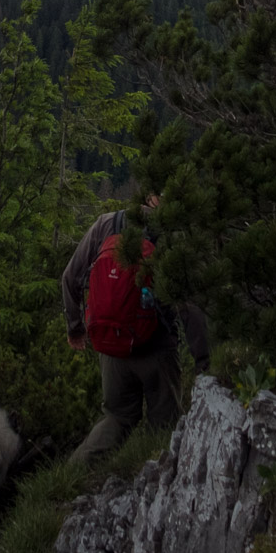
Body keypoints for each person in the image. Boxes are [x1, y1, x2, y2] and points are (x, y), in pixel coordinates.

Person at [60, 195, 210, 465]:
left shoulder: (106, 223)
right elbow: (190, 306)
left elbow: (69, 278)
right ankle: (155, 486)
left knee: (116, 417)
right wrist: (203, 363)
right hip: (156, 349)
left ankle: (72, 474)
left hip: (111, 346)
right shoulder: (171, 236)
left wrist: (75, 329)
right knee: (164, 426)